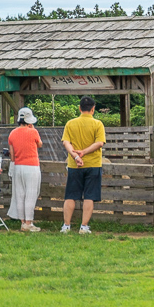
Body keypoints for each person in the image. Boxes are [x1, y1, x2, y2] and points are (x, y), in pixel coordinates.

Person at [60, 95, 105, 234]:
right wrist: (84, 152)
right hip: (93, 164)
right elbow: (99, 143)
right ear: (93, 109)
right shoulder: (98, 124)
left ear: (79, 108)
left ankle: (66, 226)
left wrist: (75, 156)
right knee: (90, 196)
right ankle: (84, 227)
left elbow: (66, 142)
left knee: (70, 196)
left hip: (75, 165)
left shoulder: (70, 123)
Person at [7, 106, 43, 232]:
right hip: (32, 166)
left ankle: (23, 222)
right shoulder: (33, 132)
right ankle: (29, 222)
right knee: (31, 194)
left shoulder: (12, 133)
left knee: (20, 194)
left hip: (18, 166)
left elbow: (12, 154)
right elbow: (39, 144)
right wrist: (33, 129)